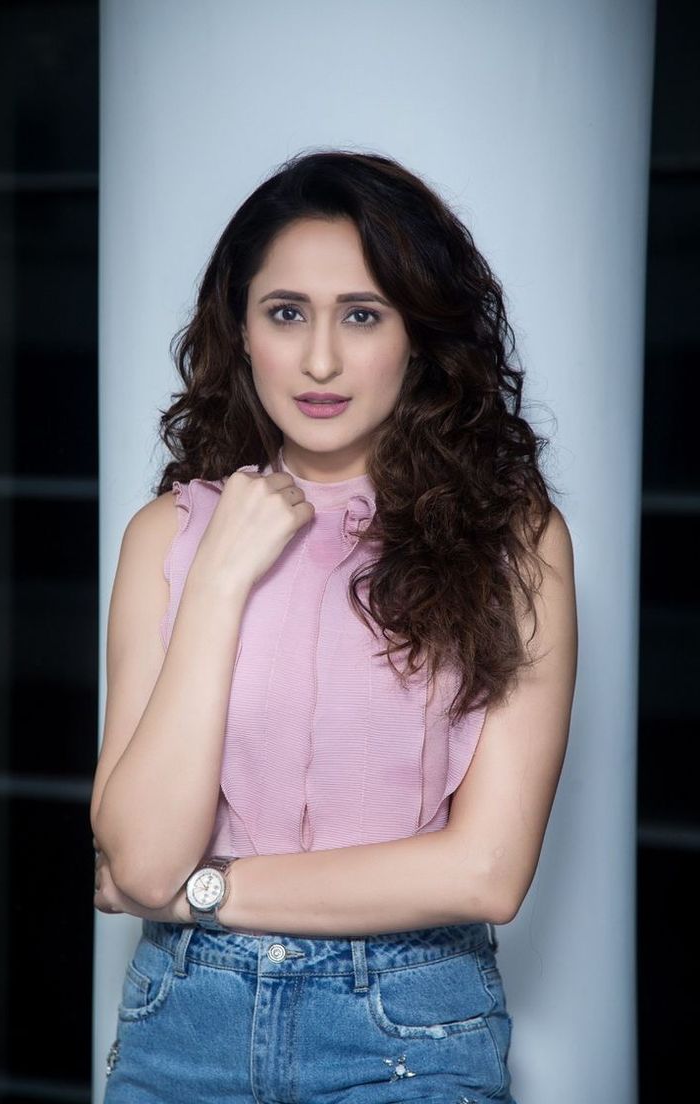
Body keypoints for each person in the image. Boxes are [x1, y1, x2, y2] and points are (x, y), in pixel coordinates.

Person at [91, 148, 577, 1103]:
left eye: (361, 315)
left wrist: (206, 890)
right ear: (243, 332)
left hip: (407, 1031)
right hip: (182, 1030)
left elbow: (487, 874)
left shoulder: (516, 539)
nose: (320, 360)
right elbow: (142, 855)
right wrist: (222, 574)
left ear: (418, 335)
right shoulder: (171, 534)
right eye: (286, 314)